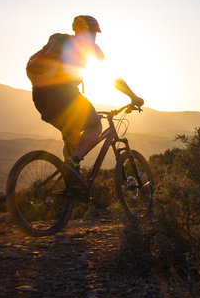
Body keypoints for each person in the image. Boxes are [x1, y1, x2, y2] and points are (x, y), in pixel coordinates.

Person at [30, 15, 143, 186]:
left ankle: (70, 184)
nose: (95, 37)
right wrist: (133, 97)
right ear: (88, 32)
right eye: (94, 33)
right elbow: (112, 77)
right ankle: (73, 163)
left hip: (40, 98)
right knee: (95, 125)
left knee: (73, 137)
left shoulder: (61, 43)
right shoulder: (91, 49)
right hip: (63, 95)